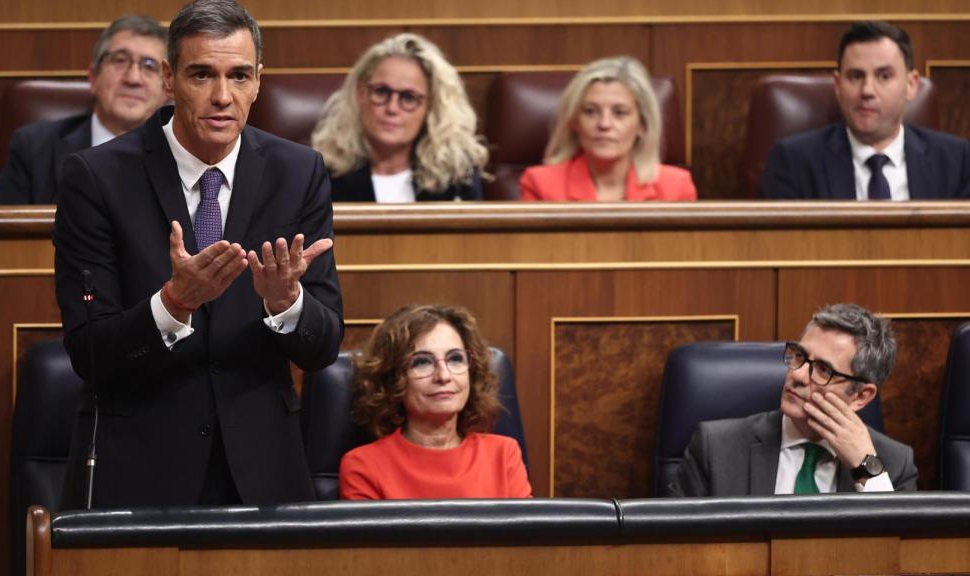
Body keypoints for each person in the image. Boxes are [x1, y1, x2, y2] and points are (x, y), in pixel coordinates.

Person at [53, 0, 343, 509]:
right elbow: (90, 352)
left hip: (263, 474)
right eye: (202, 74)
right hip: (139, 470)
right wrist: (173, 304)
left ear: (258, 81)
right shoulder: (97, 178)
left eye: (239, 76)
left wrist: (286, 304)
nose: (222, 97)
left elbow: (323, 348)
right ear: (169, 78)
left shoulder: (298, 173)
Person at [669, 303, 918, 497]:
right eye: (799, 356)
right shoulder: (717, 447)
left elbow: (896, 558)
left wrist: (865, 468)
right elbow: (677, 548)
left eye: (823, 370)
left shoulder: (893, 464)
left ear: (861, 396)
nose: (797, 375)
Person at [760, 21, 970, 200]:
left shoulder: (958, 162)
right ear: (838, 85)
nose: (867, 90)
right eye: (855, 76)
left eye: (884, 76)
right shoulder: (794, 163)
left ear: (911, 85)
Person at [339, 304, 531, 499]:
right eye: (422, 362)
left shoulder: (504, 454)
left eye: (455, 359)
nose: (444, 376)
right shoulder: (363, 466)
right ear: (393, 377)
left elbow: (527, 529)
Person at [0, 15, 168, 204]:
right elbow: (1, 231)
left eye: (149, 66)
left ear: (167, 88)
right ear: (93, 78)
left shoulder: (183, 154)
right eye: (120, 60)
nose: (133, 79)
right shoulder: (34, 148)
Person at [311, 33, 487, 203]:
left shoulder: (458, 175)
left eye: (408, 98)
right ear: (361, 94)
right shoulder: (320, 175)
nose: (392, 108)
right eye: (381, 92)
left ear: (431, 106)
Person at [520, 56, 696, 202]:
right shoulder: (540, 185)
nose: (604, 124)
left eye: (620, 113)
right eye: (591, 112)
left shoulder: (676, 187)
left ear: (642, 125)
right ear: (573, 122)